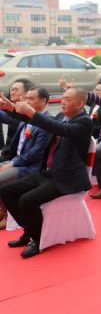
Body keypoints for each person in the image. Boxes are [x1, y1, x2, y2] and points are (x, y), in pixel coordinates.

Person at [0, 87, 92, 258]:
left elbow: (58, 128)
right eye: (62, 98)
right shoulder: (61, 117)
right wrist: (11, 109)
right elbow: (36, 123)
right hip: (49, 173)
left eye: (68, 99)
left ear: (80, 104)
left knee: (27, 200)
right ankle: (29, 231)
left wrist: (33, 113)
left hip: (66, 178)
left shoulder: (84, 122)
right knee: (6, 191)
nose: (63, 101)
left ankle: (38, 239)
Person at [0, 87, 52, 230]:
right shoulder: (26, 116)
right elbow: (8, 117)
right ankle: (3, 212)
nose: (26, 101)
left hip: (29, 167)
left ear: (43, 101)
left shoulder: (46, 121)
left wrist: (12, 164)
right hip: (17, 160)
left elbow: (36, 153)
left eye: (30, 98)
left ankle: (7, 216)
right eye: (26, 98)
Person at [0, 79, 33, 161]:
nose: (12, 92)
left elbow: (9, 118)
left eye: (15, 90)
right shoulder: (15, 107)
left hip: (18, 158)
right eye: (11, 89)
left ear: (27, 93)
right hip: (7, 153)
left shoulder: (28, 111)